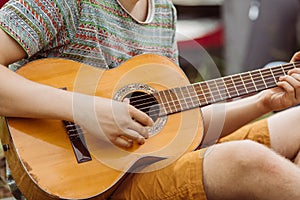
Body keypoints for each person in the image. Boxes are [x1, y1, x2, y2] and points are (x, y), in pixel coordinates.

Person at [1, 0, 300, 199]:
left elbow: (177, 129)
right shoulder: (63, 4)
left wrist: (263, 103)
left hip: (146, 165)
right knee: (245, 158)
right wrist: (86, 110)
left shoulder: (163, 12)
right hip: (79, 182)